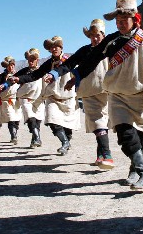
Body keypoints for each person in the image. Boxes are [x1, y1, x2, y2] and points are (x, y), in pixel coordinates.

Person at [65, 0, 143, 190]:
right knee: (124, 133)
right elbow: (92, 59)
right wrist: (76, 76)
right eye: (118, 21)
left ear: (135, 20)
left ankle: (134, 169)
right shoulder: (110, 41)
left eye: (124, 20)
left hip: (142, 95)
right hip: (118, 96)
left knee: (141, 136)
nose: (120, 24)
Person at [45, 19, 114, 169]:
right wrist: (55, 73)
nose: (94, 38)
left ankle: (100, 155)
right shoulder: (85, 50)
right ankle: (107, 155)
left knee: (102, 122)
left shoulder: (110, 49)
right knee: (97, 121)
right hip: (88, 91)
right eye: (91, 36)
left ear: (103, 34)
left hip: (108, 90)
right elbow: (69, 64)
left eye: (97, 35)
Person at [8, 36, 80, 156]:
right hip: (53, 96)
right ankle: (65, 143)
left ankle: (67, 140)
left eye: (56, 46)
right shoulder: (49, 63)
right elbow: (35, 75)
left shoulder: (70, 60)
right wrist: (18, 79)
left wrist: (76, 84)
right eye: (51, 47)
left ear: (61, 47)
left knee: (67, 126)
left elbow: (79, 73)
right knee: (52, 120)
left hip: (68, 97)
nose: (54, 49)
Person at [16, 48, 45, 148]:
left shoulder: (42, 71)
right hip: (26, 98)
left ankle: (35, 140)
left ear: (37, 59)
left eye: (33, 59)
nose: (31, 61)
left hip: (39, 99)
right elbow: (13, 79)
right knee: (30, 118)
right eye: (29, 59)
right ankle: (37, 138)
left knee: (37, 121)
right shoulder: (23, 72)